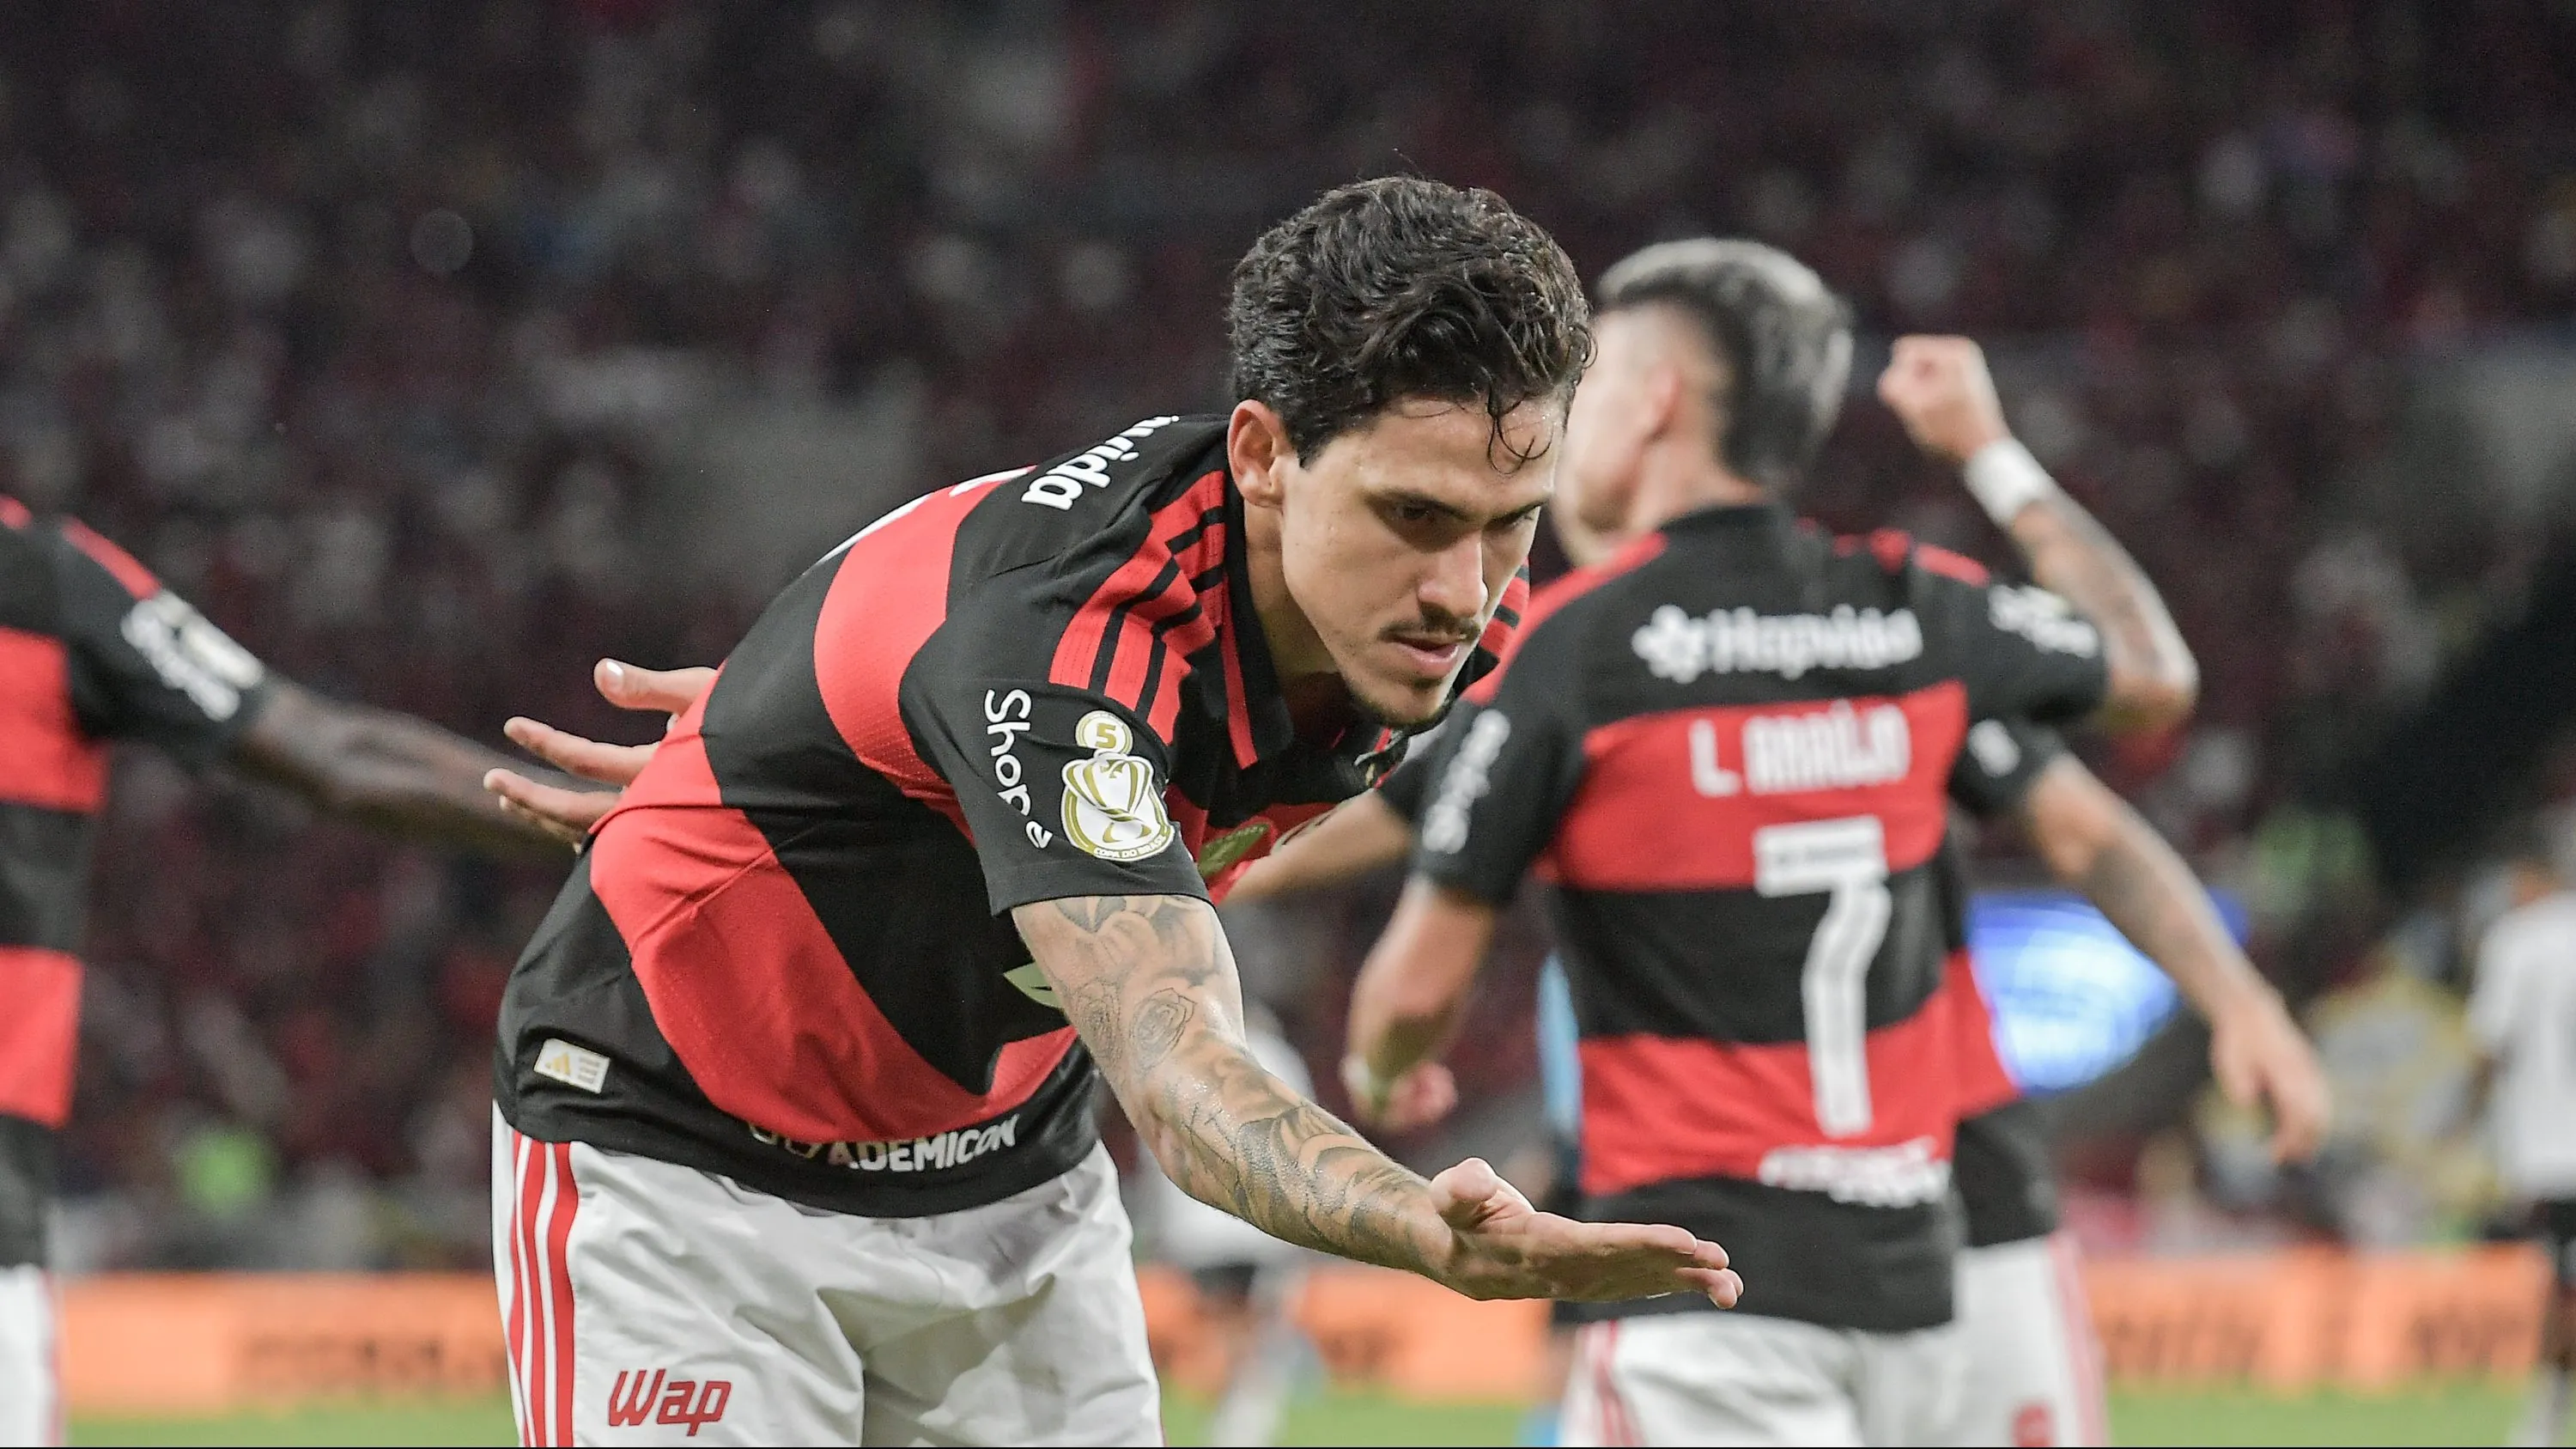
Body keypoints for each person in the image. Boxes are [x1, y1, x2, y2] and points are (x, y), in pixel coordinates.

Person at [476, 178, 1738, 1449]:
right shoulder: (1059, 655)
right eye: (1413, 514)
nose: (1464, 593)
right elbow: (1182, 1076)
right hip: (686, 1153)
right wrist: (1415, 1222)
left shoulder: (1427, 619)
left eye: (1509, 524)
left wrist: (837, 747)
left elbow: (1351, 795)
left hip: (1007, 1171)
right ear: (1260, 456)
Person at [1229, 257, 2327, 1447]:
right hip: (1951, 1226)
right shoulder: (1892, 618)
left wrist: (1376, 1054)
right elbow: (2107, 787)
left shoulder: (1569, 663)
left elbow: (1402, 950)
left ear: (1653, 402)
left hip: (1710, 1259)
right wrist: (2243, 1000)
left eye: (1581, 386)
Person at [0, 496, 561, 1445]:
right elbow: (332, 754)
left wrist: (624, 819)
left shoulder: (45, 584)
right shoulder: (42, 580)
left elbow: (336, 754)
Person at [2466, 836, 2576, 1448]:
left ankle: (2544, 1420)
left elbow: (2490, 1043)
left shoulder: (2518, 939)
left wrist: (2468, 1121)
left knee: (2561, 1288)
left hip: (2554, 1147)